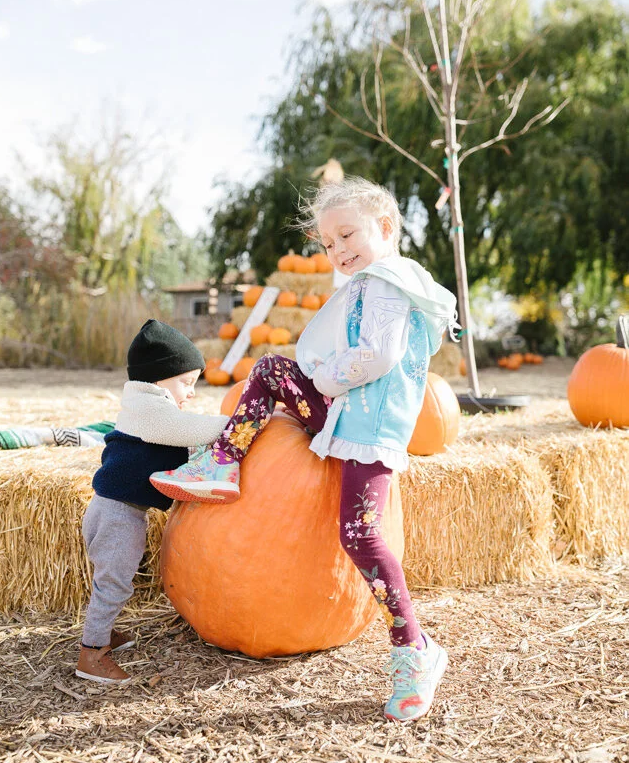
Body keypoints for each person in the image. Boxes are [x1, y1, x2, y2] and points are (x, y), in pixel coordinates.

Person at [149, 178, 457, 721]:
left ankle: (415, 648)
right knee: (269, 370)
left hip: (369, 432)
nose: (338, 250)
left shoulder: (386, 282)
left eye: (347, 235)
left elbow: (378, 356)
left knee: (359, 535)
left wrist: (322, 379)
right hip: (347, 417)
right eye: (328, 243)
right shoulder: (370, 282)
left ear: (385, 229)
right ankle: (222, 462)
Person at [76, 319, 229, 684]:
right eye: (186, 383)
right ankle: (91, 654)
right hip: (117, 515)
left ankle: (102, 631)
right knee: (113, 584)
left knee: (111, 581)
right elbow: (197, 431)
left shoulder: (144, 407)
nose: (191, 392)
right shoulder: (150, 411)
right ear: (159, 378)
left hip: (113, 509)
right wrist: (243, 421)